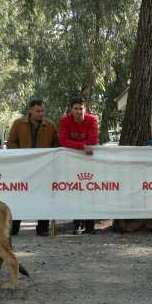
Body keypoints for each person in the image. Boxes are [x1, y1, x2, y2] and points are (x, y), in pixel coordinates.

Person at [7, 99, 59, 236]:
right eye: (38, 111)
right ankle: (13, 226)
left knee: (44, 197)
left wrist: (47, 157)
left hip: (44, 168)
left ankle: (42, 228)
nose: (41, 113)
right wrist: (23, 156)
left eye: (42, 111)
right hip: (23, 168)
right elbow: (11, 143)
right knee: (19, 196)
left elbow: (56, 145)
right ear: (30, 111)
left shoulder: (51, 126)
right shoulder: (18, 124)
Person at [59, 98, 99, 235]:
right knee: (75, 191)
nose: (78, 111)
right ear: (71, 110)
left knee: (90, 191)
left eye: (80, 108)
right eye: (75, 108)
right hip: (72, 163)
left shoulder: (92, 120)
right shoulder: (65, 121)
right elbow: (63, 141)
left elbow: (93, 140)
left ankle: (90, 225)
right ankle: (77, 224)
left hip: (89, 162)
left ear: (85, 109)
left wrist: (79, 146)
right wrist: (82, 146)